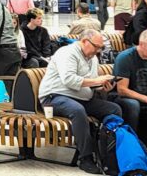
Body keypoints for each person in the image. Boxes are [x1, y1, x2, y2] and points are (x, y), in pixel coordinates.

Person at [39, 30, 121, 174]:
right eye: (96, 46)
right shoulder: (67, 53)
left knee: (114, 109)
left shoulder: (93, 58)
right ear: (84, 41)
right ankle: (85, 158)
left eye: (100, 47)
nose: (98, 50)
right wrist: (97, 81)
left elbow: (90, 83)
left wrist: (103, 86)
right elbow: (69, 80)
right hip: (54, 97)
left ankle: (109, 151)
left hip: (81, 99)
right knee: (77, 110)